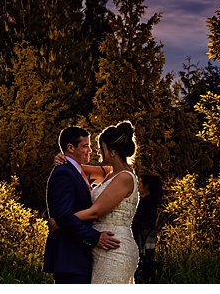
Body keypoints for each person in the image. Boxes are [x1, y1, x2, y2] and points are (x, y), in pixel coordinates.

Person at [51, 121, 141, 284]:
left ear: (112, 151)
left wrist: (61, 221)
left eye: (102, 147)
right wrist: (62, 156)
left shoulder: (124, 178)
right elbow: (75, 170)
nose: (97, 151)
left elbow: (95, 211)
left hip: (113, 247)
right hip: (100, 248)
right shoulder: (109, 172)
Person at [43, 126, 121, 284]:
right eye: (85, 146)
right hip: (70, 257)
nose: (90, 150)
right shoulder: (64, 173)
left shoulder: (76, 171)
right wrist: (96, 237)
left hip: (78, 256)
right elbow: (64, 216)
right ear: (70, 148)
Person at [132, 174, 162, 283]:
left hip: (143, 243)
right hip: (145, 244)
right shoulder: (149, 203)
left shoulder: (146, 205)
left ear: (147, 186)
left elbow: (141, 225)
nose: (138, 186)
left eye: (140, 183)